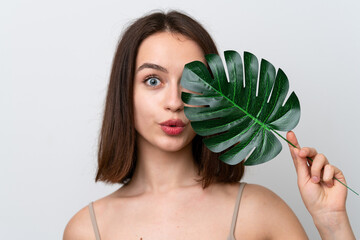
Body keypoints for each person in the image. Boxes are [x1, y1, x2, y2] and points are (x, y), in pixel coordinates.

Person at [63, 10, 355, 240]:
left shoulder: (260, 211)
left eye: (192, 82)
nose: (175, 101)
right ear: (124, 92)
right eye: (153, 80)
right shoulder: (87, 230)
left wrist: (331, 222)